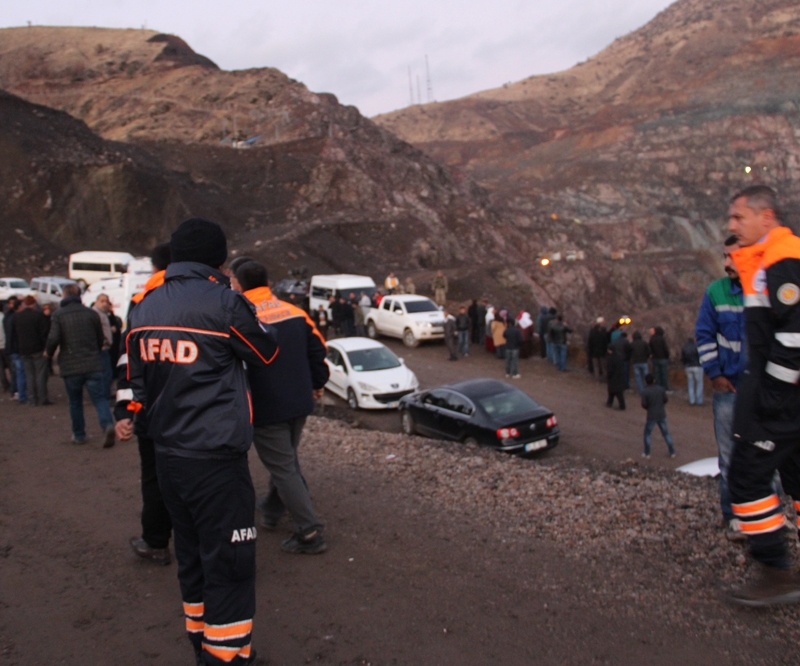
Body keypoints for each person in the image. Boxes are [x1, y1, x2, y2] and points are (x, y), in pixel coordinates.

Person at [121, 218, 278, 664]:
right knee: (230, 565)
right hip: (215, 459)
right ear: (220, 258)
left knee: (191, 558)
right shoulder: (225, 303)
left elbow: (138, 381)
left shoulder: (144, 306)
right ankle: (225, 658)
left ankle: (201, 645)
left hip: (168, 455)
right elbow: (266, 352)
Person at [725, 185, 800, 605]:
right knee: (796, 477)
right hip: (787, 399)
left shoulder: (782, 260)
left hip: (781, 402)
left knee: (747, 478)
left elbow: (793, 337)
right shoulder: (767, 260)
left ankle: (775, 570)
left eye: (739, 217)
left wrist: (770, 399)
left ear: (765, 216)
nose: (732, 225)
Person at [234, 260, 329, 554]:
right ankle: (273, 511)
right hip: (300, 401)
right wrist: (317, 383)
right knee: (285, 460)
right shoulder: (295, 312)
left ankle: (310, 532)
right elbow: (319, 349)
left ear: (238, 284)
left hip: (266, 406)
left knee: (285, 466)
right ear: (269, 283)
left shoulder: (238, 318)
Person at [114, 242, 174, 565]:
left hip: (153, 411)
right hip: (200, 411)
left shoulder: (140, 303)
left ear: (154, 268)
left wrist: (125, 410)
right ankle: (208, 548)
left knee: (154, 478)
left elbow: (129, 362)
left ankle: (156, 542)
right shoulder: (211, 298)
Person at [695, 234, 748, 542]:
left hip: (761, 392)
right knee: (729, 456)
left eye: (732, 256)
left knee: (766, 457)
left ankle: (766, 516)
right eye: (725, 256)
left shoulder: (766, 292)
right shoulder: (716, 292)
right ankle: (733, 515)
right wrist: (714, 373)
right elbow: (704, 335)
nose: (726, 262)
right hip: (728, 390)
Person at [46, 284, 114, 447]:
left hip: (70, 365)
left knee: (75, 401)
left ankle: (79, 434)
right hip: (92, 362)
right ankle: (107, 425)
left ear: (64, 295)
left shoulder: (59, 315)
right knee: (99, 398)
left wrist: (48, 352)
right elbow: (100, 337)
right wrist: (95, 350)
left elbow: (53, 338)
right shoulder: (91, 314)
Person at [14, 295, 50, 406]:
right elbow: (45, 333)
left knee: (29, 375)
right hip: (37, 348)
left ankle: (32, 399)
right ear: (34, 304)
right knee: (40, 375)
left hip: (23, 349)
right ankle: (42, 398)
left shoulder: (17, 317)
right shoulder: (39, 316)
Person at [641, 373, 675, 458]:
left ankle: (647, 453)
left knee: (647, 434)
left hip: (651, 415)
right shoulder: (660, 389)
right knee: (666, 433)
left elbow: (644, 404)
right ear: (654, 380)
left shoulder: (645, 391)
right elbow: (665, 399)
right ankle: (672, 452)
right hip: (661, 414)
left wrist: (649, 408)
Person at [92, 293, 114, 398]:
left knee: (107, 373)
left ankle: (106, 394)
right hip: (102, 347)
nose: (105, 304)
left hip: (105, 346)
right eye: (102, 301)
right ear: (96, 301)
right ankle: (105, 396)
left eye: (106, 301)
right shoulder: (95, 314)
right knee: (105, 374)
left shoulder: (104, 313)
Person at [4, 297, 25, 402]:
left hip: (10, 348)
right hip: (16, 349)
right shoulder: (15, 318)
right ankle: (21, 394)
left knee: (15, 371)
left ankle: (15, 392)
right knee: (19, 371)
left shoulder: (7, 317)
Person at [681, 337, 703, 405]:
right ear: (694, 340)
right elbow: (701, 356)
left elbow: (682, 358)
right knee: (699, 383)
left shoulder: (684, 347)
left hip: (688, 367)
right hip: (697, 366)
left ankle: (692, 400)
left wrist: (685, 364)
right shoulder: (697, 346)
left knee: (690, 383)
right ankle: (699, 400)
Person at [606, 344, 626, 410]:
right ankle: (609, 402)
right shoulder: (619, 356)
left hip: (613, 377)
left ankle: (621, 405)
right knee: (616, 391)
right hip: (620, 376)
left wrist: (608, 376)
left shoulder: (610, 358)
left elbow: (610, 369)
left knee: (615, 391)